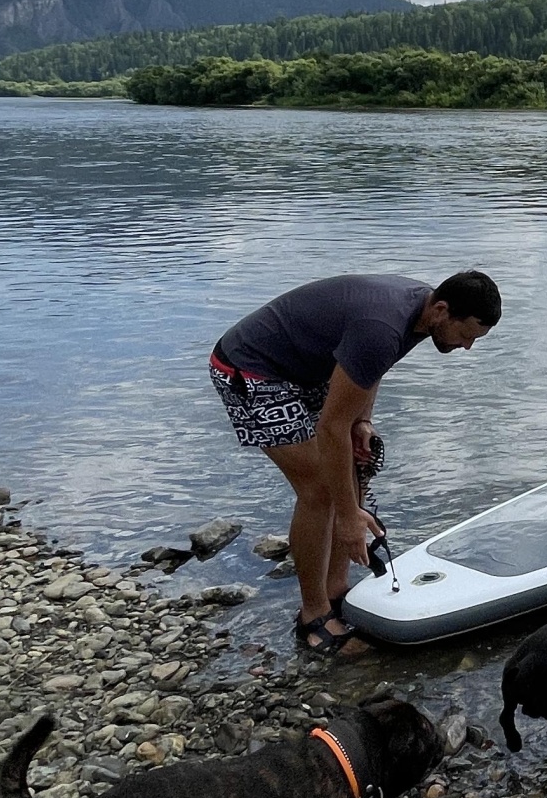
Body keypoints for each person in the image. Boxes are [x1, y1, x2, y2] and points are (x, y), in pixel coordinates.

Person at [211, 269, 501, 647]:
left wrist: (363, 420)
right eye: (466, 336)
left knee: (356, 463)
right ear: (443, 310)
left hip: (305, 369)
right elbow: (332, 428)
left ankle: (335, 590)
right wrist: (348, 517)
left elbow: (369, 368)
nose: (466, 348)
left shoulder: (422, 315)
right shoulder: (382, 325)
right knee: (319, 490)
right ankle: (312, 616)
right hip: (252, 369)